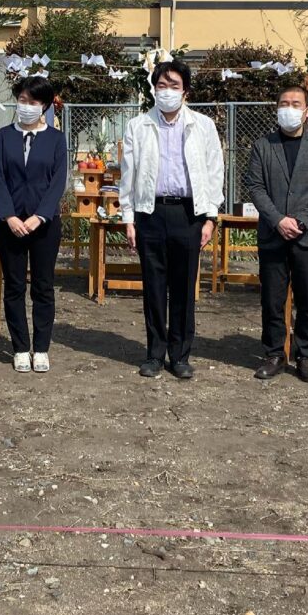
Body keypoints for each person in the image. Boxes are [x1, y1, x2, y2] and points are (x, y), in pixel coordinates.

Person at [119, 59, 224, 380]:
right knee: (153, 287)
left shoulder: (202, 126)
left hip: (188, 214)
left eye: (173, 86)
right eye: (161, 86)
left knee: (182, 287)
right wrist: (128, 217)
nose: (167, 92)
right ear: (153, 89)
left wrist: (210, 218)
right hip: (150, 213)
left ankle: (179, 355)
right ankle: (154, 353)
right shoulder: (138, 126)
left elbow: (214, 172)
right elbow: (128, 174)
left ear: (185, 91)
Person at [245, 82, 308, 383]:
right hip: (273, 235)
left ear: (307, 110)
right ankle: (274, 353)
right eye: (284, 103)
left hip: (307, 237)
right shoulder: (262, 146)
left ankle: (306, 356)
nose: (289, 109)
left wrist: (300, 220)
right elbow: (256, 187)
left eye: (296, 104)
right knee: (272, 299)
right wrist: (277, 220)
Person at [0, 76, 68, 374]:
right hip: (9, 225)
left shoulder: (56, 139)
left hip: (44, 226)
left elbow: (57, 181)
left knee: (43, 287)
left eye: (33, 102)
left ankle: (42, 348)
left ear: (45, 106)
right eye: (22, 100)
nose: (26, 107)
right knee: (13, 286)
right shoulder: (4, 136)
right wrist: (9, 216)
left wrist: (39, 217)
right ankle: (21, 347)